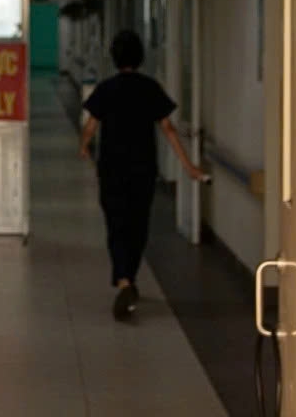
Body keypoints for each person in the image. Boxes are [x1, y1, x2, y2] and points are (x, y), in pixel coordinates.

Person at [79, 29, 208, 321]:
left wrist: (84, 147)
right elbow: (169, 130)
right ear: (140, 57)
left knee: (116, 224)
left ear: (114, 58)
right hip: (143, 170)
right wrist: (188, 166)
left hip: (112, 169)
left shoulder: (106, 88)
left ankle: (124, 280)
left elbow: (90, 126)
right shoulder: (150, 88)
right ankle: (130, 278)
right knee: (138, 225)